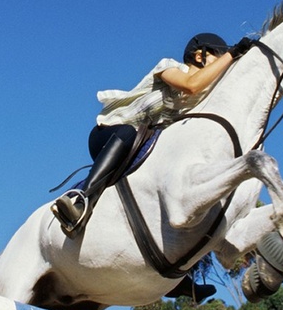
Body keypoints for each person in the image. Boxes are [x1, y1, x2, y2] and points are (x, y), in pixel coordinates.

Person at [51, 32, 254, 242]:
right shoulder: (169, 67)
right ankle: (82, 200)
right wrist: (233, 53)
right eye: (217, 58)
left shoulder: (205, 99)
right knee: (130, 131)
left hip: (145, 151)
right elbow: (191, 85)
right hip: (111, 134)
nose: (222, 65)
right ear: (199, 57)